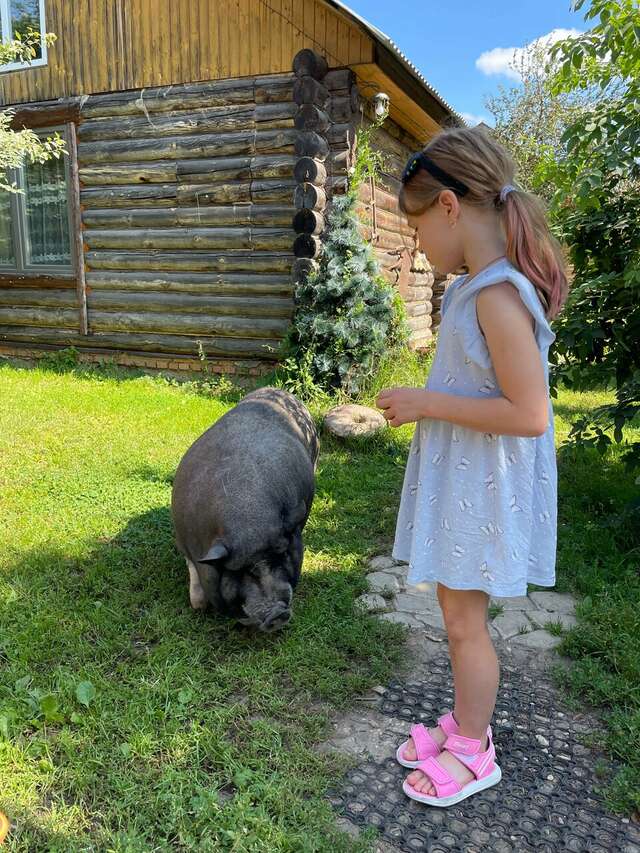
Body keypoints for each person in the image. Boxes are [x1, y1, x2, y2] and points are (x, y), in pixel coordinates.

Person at [375, 126, 569, 807]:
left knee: (464, 623)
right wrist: (430, 402)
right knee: (457, 614)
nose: (420, 247)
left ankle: (476, 750)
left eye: (420, 227)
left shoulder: (496, 293)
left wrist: (429, 400)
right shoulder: (475, 287)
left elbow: (529, 413)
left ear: (451, 207)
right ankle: (462, 723)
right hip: (470, 484)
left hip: (486, 493)